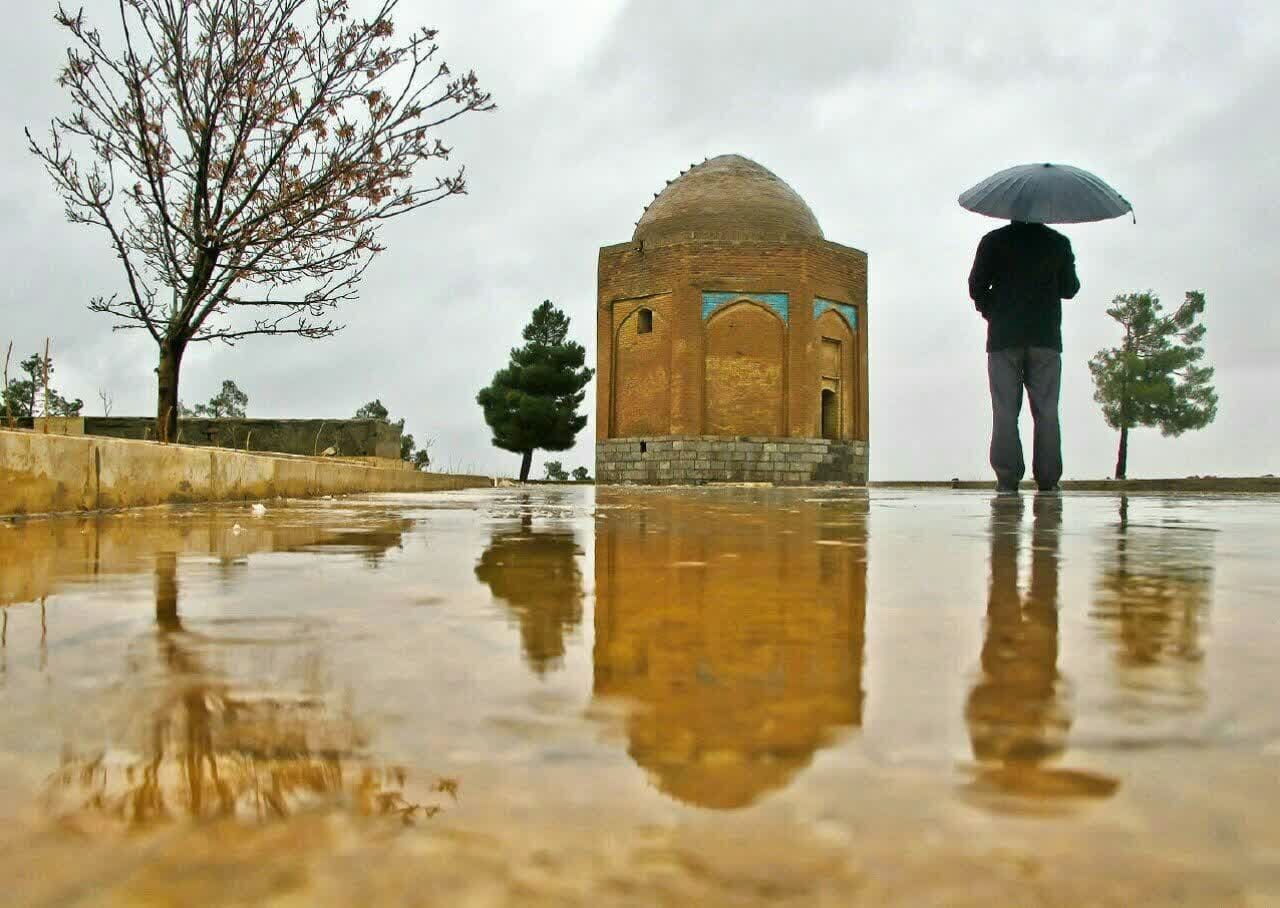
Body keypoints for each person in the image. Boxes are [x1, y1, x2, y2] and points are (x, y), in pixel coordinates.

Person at [968, 220, 1080, 493]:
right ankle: (1049, 479)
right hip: (1045, 339)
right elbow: (1070, 288)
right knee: (1047, 411)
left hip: (1004, 338)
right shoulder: (1058, 243)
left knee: (1005, 410)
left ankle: (1007, 479)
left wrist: (991, 310)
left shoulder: (993, 241)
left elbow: (976, 286)